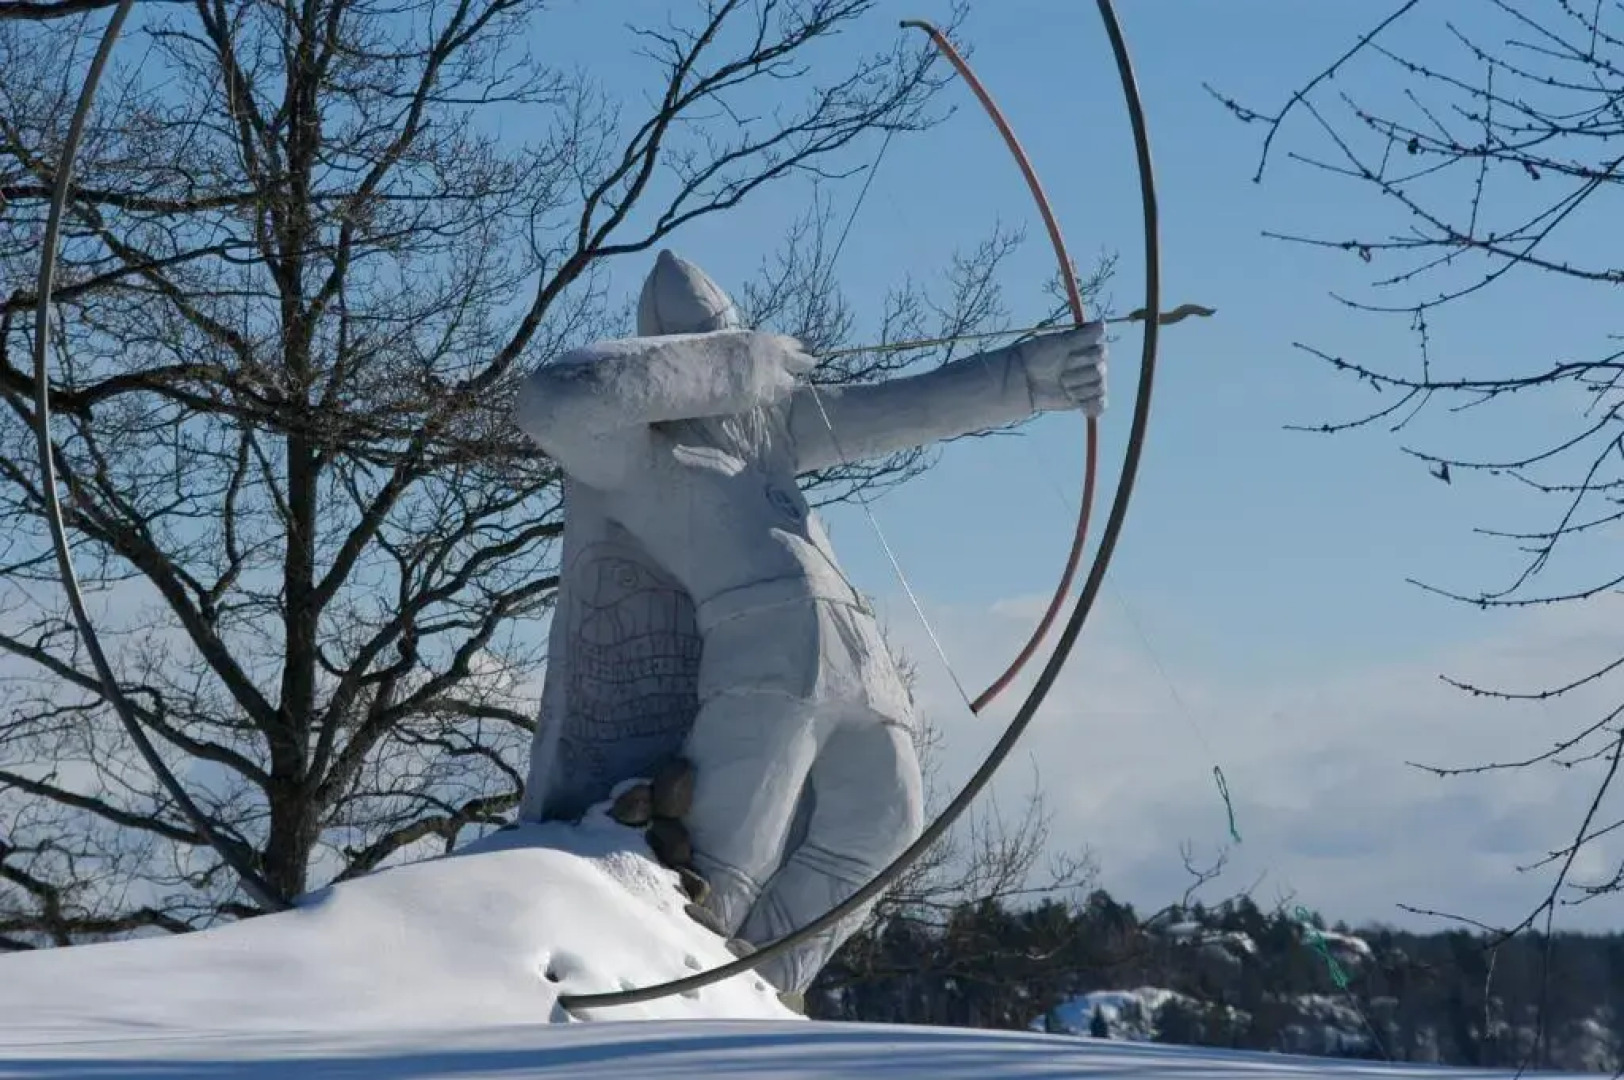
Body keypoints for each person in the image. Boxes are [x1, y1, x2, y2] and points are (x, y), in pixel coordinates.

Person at [513, 250, 1107, 994]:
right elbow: (555, 398)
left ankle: (755, 990)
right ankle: (686, 994)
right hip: (763, 654)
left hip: (864, 665)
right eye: (714, 347)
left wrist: (1035, 376)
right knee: (726, 865)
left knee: (879, 833)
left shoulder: (771, 437)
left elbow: (914, 403)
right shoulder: (638, 455)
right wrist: (738, 365)